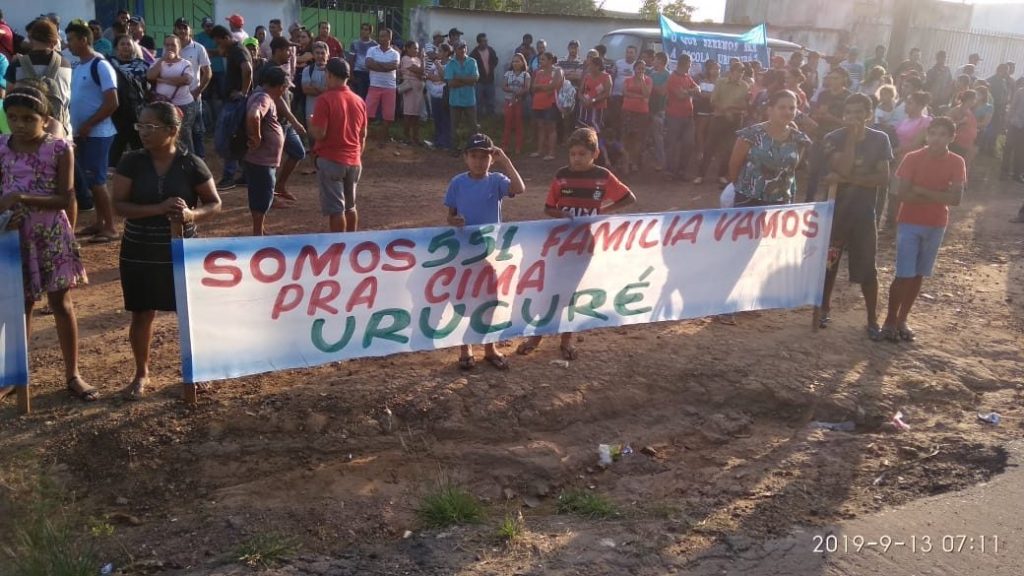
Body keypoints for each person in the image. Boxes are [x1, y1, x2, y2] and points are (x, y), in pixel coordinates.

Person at [111, 102, 221, 399]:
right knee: (141, 313)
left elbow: (214, 203)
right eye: (140, 126)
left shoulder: (191, 163)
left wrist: (191, 215)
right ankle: (141, 373)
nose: (143, 132)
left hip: (182, 250)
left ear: (172, 130)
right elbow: (118, 205)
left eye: (151, 127)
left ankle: (195, 371)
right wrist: (159, 209)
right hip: (139, 248)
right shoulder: (131, 162)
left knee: (189, 313)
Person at [0, 86, 94, 402]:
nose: (20, 124)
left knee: (61, 304)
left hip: (51, 234)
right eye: (13, 117)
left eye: (28, 118)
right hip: (13, 236)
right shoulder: (1, 147)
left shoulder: (59, 149)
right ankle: (15, 375)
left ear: (45, 118)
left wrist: (21, 197)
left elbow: (65, 198)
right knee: (19, 305)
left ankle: (73, 374)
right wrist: (6, 211)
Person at [516, 127, 636, 361]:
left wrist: (602, 211)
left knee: (571, 293)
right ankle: (537, 336)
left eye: (582, 154)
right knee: (548, 290)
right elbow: (548, 207)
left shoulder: (603, 176)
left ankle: (566, 339)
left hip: (585, 245)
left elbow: (628, 197)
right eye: (572, 154)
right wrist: (561, 214)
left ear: (595, 154)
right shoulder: (562, 175)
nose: (577, 159)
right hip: (559, 243)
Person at [443, 133, 525, 371]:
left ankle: (490, 347)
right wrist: (454, 221)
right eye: (474, 156)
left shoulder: (497, 180)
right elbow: (450, 215)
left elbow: (519, 188)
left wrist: (505, 161)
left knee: (491, 299)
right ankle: (465, 347)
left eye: (484, 157)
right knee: (465, 299)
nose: (479, 162)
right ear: (466, 158)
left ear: (492, 158)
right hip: (465, 251)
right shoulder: (457, 183)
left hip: (491, 253)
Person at [881, 117, 965, 342]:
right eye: (933, 133)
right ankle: (890, 320)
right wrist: (939, 195)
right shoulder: (912, 157)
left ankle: (902, 319)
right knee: (903, 274)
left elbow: (956, 199)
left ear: (951, 137)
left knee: (918, 274)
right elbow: (902, 194)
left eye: (942, 134)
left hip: (936, 224)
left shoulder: (957, 161)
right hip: (909, 221)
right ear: (927, 135)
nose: (936, 139)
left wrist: (921, 191)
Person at [819, 93, 893, 339]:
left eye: (859, 112)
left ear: (868, 114)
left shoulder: (880, 139)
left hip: (864, 213)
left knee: (867, 266)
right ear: (843, 115)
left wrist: (847, 179)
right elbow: (842, 166)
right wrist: (851, 139)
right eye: (849, 112)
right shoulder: (833, 138)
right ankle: (824, 308)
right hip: (836, 212)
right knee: (829, 263)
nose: (853, 117)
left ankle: (872, 319)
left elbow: (883, 178)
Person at [63, 22, 120, 244]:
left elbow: (112, 102)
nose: (68, 44)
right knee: (91, 180)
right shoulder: (79, 67)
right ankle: (99, 222)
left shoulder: (101, 65)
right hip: (84, 134)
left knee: (97, 181)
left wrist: (89, 124)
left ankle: (110, 227)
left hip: (99, 133)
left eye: (71, 39)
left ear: (83, 40)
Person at [309, 58, 367, 233]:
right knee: (350, 206)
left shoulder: (324, 100)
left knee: (336, 210)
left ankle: (338, 245)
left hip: (331, 159)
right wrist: (356, 155)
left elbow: (320, 133)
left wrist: (311, 123)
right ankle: (351, 243)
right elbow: (362, 135)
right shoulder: (359, 101)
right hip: (354, 159)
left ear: (330, 75)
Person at [727, 90, 811, 206]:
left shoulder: (799, 139)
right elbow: (734, 165)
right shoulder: (750, 135)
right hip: (749, 200)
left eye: (792, 108)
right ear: (770, 110)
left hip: (782, 200)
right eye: (782, 107)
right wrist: (743, 188)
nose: (787, 112)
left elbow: (791, 169)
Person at [255, 36, 308, 203]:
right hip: (274, 123)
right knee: (271, 162)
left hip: (284, 123)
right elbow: (276, 99)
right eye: (287, 50)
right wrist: (295, 121)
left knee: (298, 152)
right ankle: (269, 195)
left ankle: (279, 186)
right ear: (277, 51)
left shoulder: (277, 69)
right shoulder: (270, 70)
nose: (290, 54)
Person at [5, 19, 72, 135]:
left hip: (26, 133)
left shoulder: (17, 64)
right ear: (54, 41)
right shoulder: (66, 64)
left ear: (31, 39)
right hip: (58, 132)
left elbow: (9, 98)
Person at [243, 66, 287, 236]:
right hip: (261, 160)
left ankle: (259, 229)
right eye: (284, 87)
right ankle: (257, 233)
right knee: (262, 197)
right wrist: (257, 137)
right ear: (279, 86)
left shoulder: (260, 94)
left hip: (261, 159)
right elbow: (254, 115)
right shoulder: (264, 98)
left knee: (260, 195)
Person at [211, 25, 252, 191]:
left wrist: (243, 93)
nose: (218, 45)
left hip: (236, 102)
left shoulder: (238, 51)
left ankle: (229, 176)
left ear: (226, 38)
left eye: (219, 42)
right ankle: (246, 175)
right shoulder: (234, 50)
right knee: (239, 138)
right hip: (236, 101)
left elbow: (247, 69)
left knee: (229, 137)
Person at [696, 60, 749, 186]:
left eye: (742, 73)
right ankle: (700, 175)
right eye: (738, 72)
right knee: (710, 147)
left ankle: (721, 175)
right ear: (731, 72)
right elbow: (713, 101)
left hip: (735, 119)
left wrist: (730, 108)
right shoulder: (721, 82)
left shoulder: (744, 86)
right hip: (719, 117)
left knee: (729, 149)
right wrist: (726, 111)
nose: (740, 75)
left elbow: (744, 105)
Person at [148, 35, 196, 155]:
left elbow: (185, 80)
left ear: (179, 47)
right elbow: (150, 76)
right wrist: (162, 59)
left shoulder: (185, 64)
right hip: (163, 105)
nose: (170, 48)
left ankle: (188, 159)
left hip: (183, 105)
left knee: (183, 135)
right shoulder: (158, 62)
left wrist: (162, 80)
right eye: (167, 45)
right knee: (164, 134)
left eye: (173, 45)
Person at [108, 34, 149, 167]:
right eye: (122, 44)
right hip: (115, 112)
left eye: (128, 44)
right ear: (116, 47)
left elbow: (148, 88)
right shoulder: (109, 64)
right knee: (115, 149)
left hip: (136, 112)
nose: (126, 47)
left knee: (139, 148)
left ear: (134, 47)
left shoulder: (142, 65)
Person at [175, 18, 212, 159]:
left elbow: (207, 73)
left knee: (197, 131)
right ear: (175, 30)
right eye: (179, 27)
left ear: (190, 30)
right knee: (178, 131)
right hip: (175, 98)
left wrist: (198, 91)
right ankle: (183, 160)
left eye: (185, 27)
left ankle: (200, 160)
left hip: (193, 97)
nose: (182, 30)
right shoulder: (171, 47)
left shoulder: (199, 48)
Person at [664, 53, 699, 180]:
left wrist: (688, 91)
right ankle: (669, 171)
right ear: (686, 63)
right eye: (690, 63)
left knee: (689, 144)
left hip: (688, 116)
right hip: (674, 116)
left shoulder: (687, 77)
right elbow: (680, 95)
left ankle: (681, 170)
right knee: (672, 144)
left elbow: (698, 89)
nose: (690, 65)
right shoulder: (673, 77)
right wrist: (691, 92)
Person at [365, 27, 400, 146]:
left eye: (384, 36)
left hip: (390, 87)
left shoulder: (395, 53)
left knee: (388, 116)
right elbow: (368, 64)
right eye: (380, 36)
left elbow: (393, 66)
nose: (381, 38)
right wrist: (385, 66)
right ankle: (364, 137)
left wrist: (377, 64)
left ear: (390, 38)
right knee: (367, 113)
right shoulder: (371, 50)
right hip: (374, 85)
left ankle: (382, 139)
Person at [445, 41, 479, 153]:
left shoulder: (472, 61)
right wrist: (467, 80)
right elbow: (450, 83)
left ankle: (473, 148)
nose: (463, 50)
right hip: (455, 100)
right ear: (455, 50)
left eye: (464, 47)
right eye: (460, 48)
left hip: (469, 100)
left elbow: (475, 79)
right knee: (455, 126)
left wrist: (459, 78)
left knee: (473, 126)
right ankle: (455, 148)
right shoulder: (450, 64)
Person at [621, 59, 652, 174]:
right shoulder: (628, 80)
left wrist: (642, 81)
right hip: (628, 111)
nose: (641, 70)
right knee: (627, 137)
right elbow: (625, 93)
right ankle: (626, 161)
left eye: (643, 69)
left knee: (638, 139)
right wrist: (639, 97)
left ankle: (634, 162)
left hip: (642, 113)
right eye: (639, 68)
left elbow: (647, 94)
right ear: (634, 69)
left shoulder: (648, 80)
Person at [530, 52, 563, 161]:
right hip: (538, 103)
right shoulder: (539, 72)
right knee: (541, 127)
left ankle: (551, 152)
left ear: (550, 60)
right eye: (540, 59)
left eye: (543, 59)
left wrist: (540, 87)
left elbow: (555, 85)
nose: (540, 61)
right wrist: (545, 87)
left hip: (551, 103)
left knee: (551, 127)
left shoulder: (557, 71)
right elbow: (533, 87)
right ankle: (540, 151)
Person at [501, 53, 530, 154]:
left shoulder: (526, 75)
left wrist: (517, 94)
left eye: (517, 61)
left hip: (519, 102)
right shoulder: (508, 73)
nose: (515, 63)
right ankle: (505, 145)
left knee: (518, 124)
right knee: (507, 123)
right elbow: (504, 86)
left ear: (522, 63)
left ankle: (518, 146)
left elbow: (527, 88)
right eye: (513, 61)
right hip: (508, 101)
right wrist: (513, 91)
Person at [647, 52, 670, 171]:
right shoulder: (651, 73)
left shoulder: (668, 75)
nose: (653, 61)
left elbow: (662, 91)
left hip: (660, 110)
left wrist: (650, 84)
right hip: (648, 108)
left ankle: (661, 162)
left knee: (658, 137)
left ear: (660, 60)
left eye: (655, 59)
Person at [694, 60, 720, 162]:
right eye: (714, 68)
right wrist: (713, 96)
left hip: (716, 110)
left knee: (712, 133)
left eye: (718, 68)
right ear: (709, 70)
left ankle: (711, 153)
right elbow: (702, 95)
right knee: (700, 131)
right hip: (704, 109)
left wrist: (711, 96)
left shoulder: (722, 83)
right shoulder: (704, 81)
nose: (716, 70)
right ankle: (700, 151)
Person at [399, 40, 424, 145]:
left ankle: (415, 137)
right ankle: (406, 137)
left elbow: (421, 74)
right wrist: (423, 61)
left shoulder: (417, 59)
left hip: (418, 89)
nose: (416, 50)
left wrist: (420, 71)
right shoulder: (405, 59)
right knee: (408, 113)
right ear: (407, 49)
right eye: (414, 48)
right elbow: (420, 71)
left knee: (416, 114)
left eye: (417, 48)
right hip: (409, 88)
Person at [427, 43, 451, 150]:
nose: (438, 53)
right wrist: (438, 77)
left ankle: (445, 143)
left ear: (446, 52)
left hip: (444, 96)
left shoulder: (450, 63)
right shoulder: (436, 63)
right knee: (436, 119)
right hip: (434, 95)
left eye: (440, 51)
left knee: (445, 119)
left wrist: (438, 67)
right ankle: (437, 141)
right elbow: (429, 75)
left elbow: (445, 76)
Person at [948, 89, 978, 169]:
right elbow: (947, 124)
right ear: (969, 99)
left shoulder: (969, 110)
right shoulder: (956, 110)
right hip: (957, 143)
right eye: (974, 99)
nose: (975, 101)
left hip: (967, 143)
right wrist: (961, 121)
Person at [470, 33, 498, 117]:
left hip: (490, 80)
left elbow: (495, 60)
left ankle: (491, 116)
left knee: (491, 100)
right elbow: (471, 66)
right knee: (478, 100)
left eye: (486, 41)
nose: (486, 43)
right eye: (484, 41)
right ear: (479, 42)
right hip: (479, 81)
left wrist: (492, 67)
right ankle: (479, 117)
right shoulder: (474, 53)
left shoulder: (491, 50)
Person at [302, 41, 330, 128]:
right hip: (311, 110)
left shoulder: (332, 71)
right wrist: (325, 91)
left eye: (322, 53)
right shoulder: (307, 70)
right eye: (317, 53)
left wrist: (314, 88)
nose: (320, 56)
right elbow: (306, 89)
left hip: (328, 110)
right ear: (313, 55)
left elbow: (334, 90)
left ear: (328, 55)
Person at [348, 22, 377, 100]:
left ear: (370, 32)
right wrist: (351, 75)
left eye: (366, 30)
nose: (363, 31)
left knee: (369, 97)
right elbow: (351, 59)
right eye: (362, 29)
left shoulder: (375, 45)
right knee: (360, 96)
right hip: (358, 73)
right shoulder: (355, 43)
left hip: (370, 74)